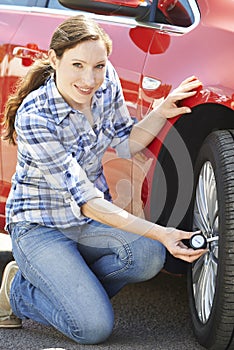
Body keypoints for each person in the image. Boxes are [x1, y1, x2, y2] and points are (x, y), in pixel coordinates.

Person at [0, 15, 205, 344]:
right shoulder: (35, 118)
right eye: (77, 65)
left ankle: (71, 287)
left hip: (86, 224)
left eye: (98, 66)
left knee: (149, 256)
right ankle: (19, 291)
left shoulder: (104, 82)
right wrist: (164, 232)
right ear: (54, 60)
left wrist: (161, 110)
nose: (89, 79)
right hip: (41, 228)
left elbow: (126, 142)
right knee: (93, 327)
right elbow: (88, 202)